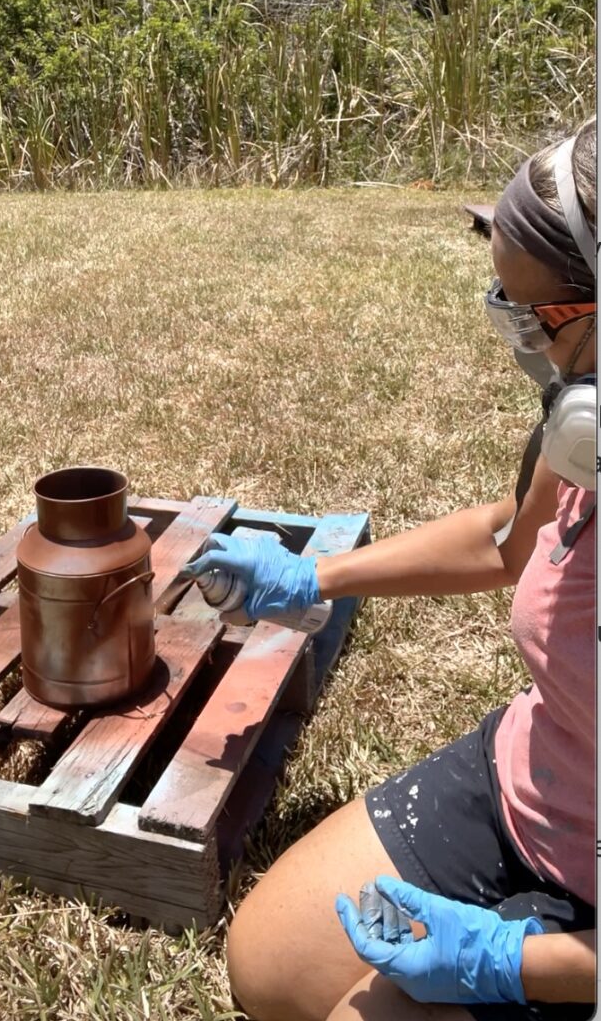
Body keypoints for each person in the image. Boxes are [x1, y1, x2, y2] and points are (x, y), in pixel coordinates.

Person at [182, 118, 597, 1021]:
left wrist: (510, 961)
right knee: (268, 963)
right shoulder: (583, 438)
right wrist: (311, 577)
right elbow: (505, 544)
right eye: (503, 302)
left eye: (537, 318)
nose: (519, 339)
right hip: (538, 784)